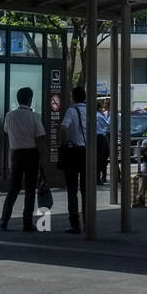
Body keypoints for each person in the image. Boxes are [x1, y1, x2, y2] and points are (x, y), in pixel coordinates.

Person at [0, 87, 47, 232]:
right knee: (30, 189)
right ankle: (27, 222)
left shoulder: (9, 116)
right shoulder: (35, 116)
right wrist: (42, 157)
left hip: (16, 154)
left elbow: (6, 130)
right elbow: (40, 137)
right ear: (30, 99)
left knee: (13, 188)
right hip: (31, 154)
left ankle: (4, 220)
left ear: (18, 99)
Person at [60, 85, 88, 233]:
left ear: (73, 97)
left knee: (72, 189)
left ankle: (75, 223)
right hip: (87, 152)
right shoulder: (91, 112)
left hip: (74, 152)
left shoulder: (72, 111)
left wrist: (65, 143)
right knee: (86, 189)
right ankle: (88, 221)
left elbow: (64, 127)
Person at [96, 102, 110, 184]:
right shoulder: (100, 116)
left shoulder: (92, 115)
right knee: (102, 159)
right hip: (101, 138)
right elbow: (108, 125)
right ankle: (99, 178)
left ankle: (97, 177)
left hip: (94, 138)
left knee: (96, 159)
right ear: (99, 108)